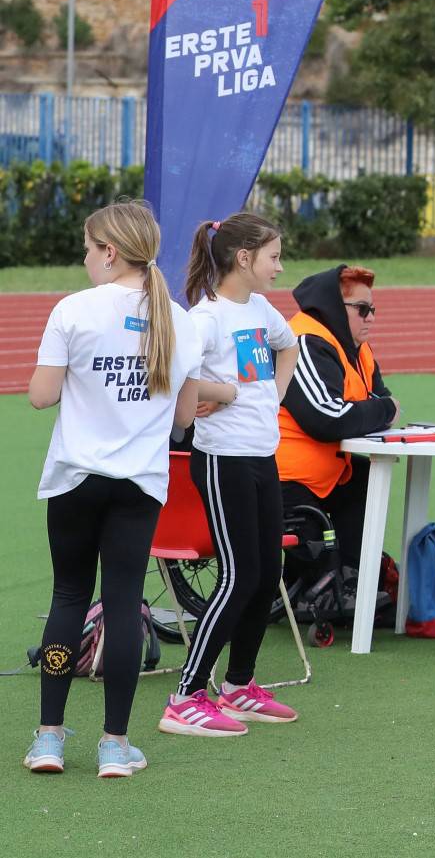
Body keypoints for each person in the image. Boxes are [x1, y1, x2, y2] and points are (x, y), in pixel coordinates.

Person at [26, 201, 198, 778]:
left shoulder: (73, 310)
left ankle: (49, 737)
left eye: (86, 246)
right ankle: (114, 745)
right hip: (138, 483)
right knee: (124, 605)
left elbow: (41, 395)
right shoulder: (178, 318)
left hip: (75, 476)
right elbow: (186, 413)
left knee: (68, 599)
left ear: (109, 252)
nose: (83, 257)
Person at [162, 213, 300, 737]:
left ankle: (239, 685)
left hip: (261, 455)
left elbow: (286, 347)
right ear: (244, 259)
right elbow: (179, 389)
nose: (279, 267)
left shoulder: (261, 308)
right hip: (222, 461)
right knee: (239, 574)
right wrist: (225, 394)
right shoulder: (205, 319)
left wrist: (273, 395)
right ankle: (185, 695)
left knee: (268, 572)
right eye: (273, 257)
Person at [277, 264, 400, 591]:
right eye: (362, 309)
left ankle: (356, 579)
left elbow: (375, 399)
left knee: (365, 477)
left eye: (372, 309)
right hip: (285, 475)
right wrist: (382, 409)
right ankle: (326, 588)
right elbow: (327, 417)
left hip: (327, 471)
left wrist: (376, 408)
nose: (371, 317)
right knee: (316, 570)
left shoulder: (357, 348)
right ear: (333, 307)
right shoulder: (303, 341)